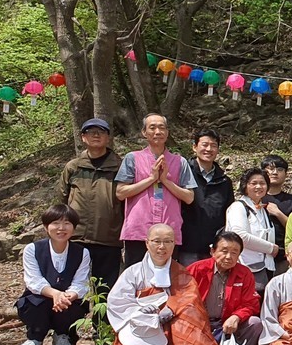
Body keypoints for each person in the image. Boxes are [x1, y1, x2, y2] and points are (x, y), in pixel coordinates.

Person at [95, 225, 258, 345]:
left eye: (167, 242)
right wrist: (141, 310)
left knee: (191, 316)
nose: (162, 247)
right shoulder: (133, 273)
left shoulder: (180, 272)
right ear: (147, 243)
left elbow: (189, 297)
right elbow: (119, 302)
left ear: (174, 244)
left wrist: (171, 308)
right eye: (157, 241)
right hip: (143, 319)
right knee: (145, 330)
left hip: (174, 317)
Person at [114, 114, 197, 267]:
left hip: (168, 232)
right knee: (136, 277)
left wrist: (165, 180)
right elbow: (120, 192)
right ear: (144, 132)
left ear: (167, 132)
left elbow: (189, 197)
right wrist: (151, 179)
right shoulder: (132, 158)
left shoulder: (180, 162)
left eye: (162, 127)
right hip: (139, 231)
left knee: (167, 278)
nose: (157, 131)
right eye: (152, 127)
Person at [57, 117, 122, 294]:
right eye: (91, 132)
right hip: (77, 236)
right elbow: (61, 200)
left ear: (108, 137)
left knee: (105, 288)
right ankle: (71, 321)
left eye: (101, 132)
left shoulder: (120, 166)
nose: (96, 135)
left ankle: (101, 322)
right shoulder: (73, 167)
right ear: (83, 137)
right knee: (74, 286)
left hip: (109, 237)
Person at [185, 231, 264, 345]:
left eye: (234, 252)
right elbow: (182, 299)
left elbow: (251, 304)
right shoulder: (196, 269)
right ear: (212, 251)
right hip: (200, 324)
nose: (229, 257)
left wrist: (236, 317)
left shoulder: (244, 273)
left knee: (254, 323)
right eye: (224, 251)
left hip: (227, 324)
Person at [16, 204, 91, 345]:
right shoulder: (32, 249)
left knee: (74, 304)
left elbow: (81, 283)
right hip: (40, 298)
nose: (61, 228)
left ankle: (63, 336)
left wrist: (68, 296)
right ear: (46, 227)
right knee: (35, 302)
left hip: (67, 301)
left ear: (74, 228)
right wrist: (55, 294)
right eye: (56, 223)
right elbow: (34, 281)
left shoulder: (82, 252)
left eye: (67, 223)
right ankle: (35, 338)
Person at [178, 129, 234, 266]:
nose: (209, 149)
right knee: (188, 286)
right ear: (194, 147)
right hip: (186, 246)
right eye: (204, 145)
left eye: (213, 145)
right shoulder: (183, 173)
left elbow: (228, 214)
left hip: (213, 248)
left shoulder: (225, 181)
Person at [225, 168, 280, 292]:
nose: (259, 187)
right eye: (254, 183)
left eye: (262, 183)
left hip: (265, 267)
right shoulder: (238, 207)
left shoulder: (263, 209)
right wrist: (272, 248)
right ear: (245, 186)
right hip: (245, 266)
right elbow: (240, 236)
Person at [261, 154, 292, 270]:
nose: (275, 172)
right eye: (271, 169)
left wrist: (278, 213)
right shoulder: (256, 197)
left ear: (286, 174)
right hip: (258, 254)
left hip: (284, 255)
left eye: (280, 169)